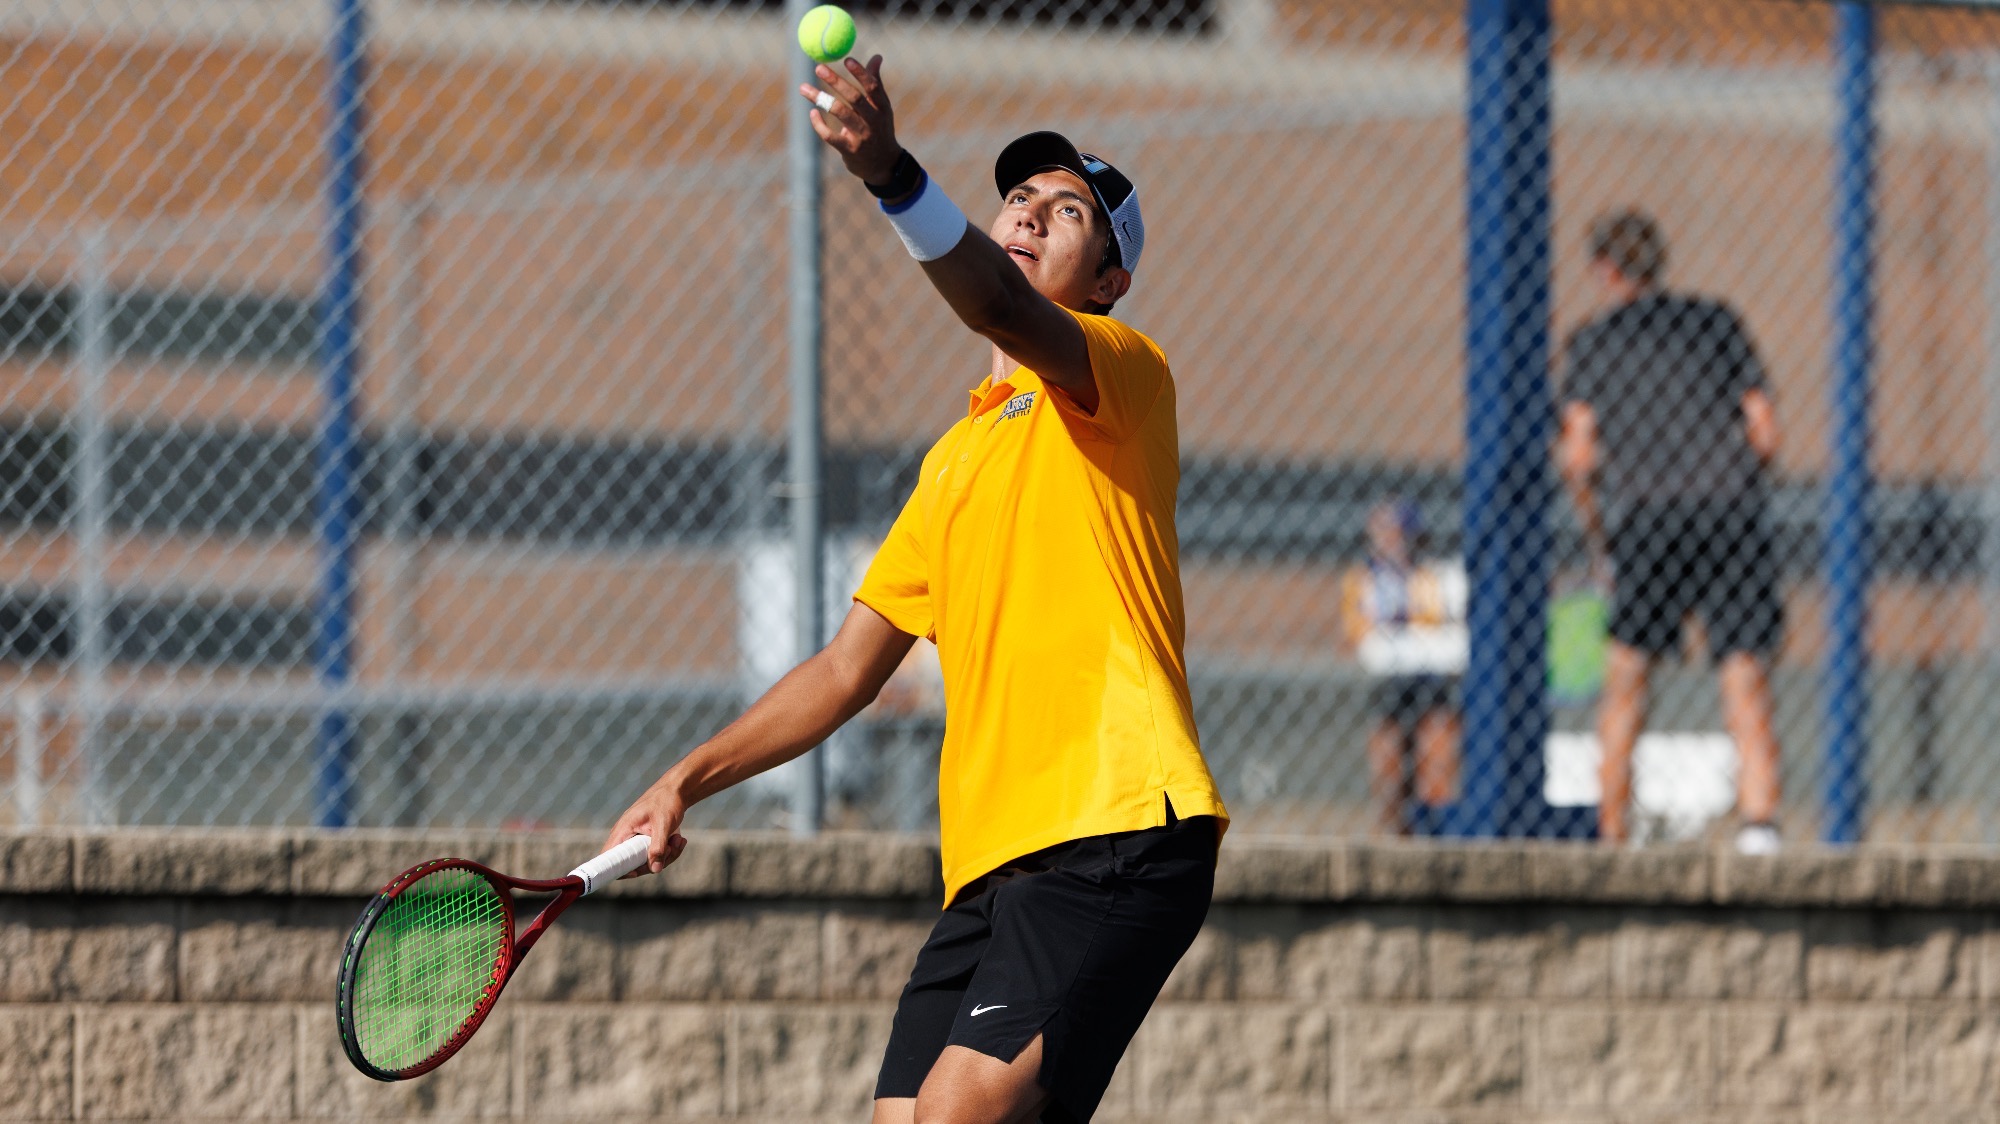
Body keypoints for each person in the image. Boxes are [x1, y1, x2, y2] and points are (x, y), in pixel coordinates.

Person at [600, 53, 1228, 1124]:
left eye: (1064, 212)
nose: (1028, 215)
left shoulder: (1119, 373)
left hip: (1117, 825)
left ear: (1109, 278)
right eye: (1018, 198)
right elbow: (846, 670)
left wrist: (889, 173)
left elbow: (990, 295)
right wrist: (686, 778)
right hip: (990, 865)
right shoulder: (951, 465)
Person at [1556, 210, 1784, 854]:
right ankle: (1759, 826)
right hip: (1727, 508)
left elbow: (1579, 456)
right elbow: (1764, 431)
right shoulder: (1717, 321)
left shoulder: (1592, 343)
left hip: (1647, 518)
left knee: (1627, 674)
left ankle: (1612, 829)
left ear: (1604, 270)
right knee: (1744, 671)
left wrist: (1599, 534)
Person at [1339, 500, 1466, 835]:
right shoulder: (1362, 580)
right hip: (1388, 681)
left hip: (1432, 677)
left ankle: (1436, 826)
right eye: (1381, 533)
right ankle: (1394, 831)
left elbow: (1442, 627)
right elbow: (1359, 635)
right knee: (1388, 760)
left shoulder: (1432, 576)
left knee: (1437, 751)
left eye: (1395, 533)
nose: (1388, 541)